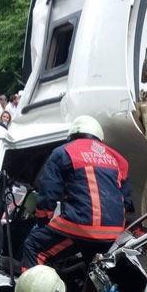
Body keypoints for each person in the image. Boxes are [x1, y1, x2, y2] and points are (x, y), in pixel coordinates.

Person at [20, 115, 133, 271]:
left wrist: (42, 220)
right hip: (113, 232)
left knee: (33, 245)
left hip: (79, 225)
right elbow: (126, 201)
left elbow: (48, 192)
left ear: (72, 135)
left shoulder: (63, 151)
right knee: (93, 264)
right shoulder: (119, 159)